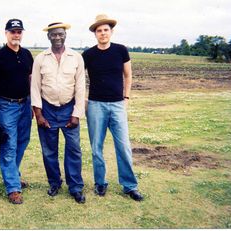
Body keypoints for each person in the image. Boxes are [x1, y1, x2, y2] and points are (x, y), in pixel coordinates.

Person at [82, 14, 144, 201]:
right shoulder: (88, 55)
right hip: (95, 106)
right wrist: (84, 99)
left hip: (117, 105)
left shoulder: (121, 51)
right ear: (95, 34)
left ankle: (129, 186)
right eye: (99, 31)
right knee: (96, 148)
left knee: (124, 146)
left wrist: (126, 97)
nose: (102, 33)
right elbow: (77, 78)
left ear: (111, 32)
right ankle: (100, 183)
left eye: (106, 30)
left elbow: (128, 75)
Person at [31, 22, 86, 204]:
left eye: (60, 34)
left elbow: (80, 87)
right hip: (47, 109)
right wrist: (38, 115)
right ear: (48, 37)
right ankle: (54, 183)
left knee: (73, 149)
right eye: (53, 35)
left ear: (65, 35)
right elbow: (35, 88)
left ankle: (75, 187)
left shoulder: (76, 57)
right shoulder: (40, 58)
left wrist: (77, 113)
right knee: (49, 151)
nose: (57, 37)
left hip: (69, 109)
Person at [0, 19, 33, 204]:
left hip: (25, 104)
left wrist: (33, 104)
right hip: (7, 105)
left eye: (19, 31)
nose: (16, 35)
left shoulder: (27, 54)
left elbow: (31, 78)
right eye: (13, 31)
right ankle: (13, 188)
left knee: (22, 141)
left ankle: (13, 175)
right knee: (9, 145)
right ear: (6, 33)